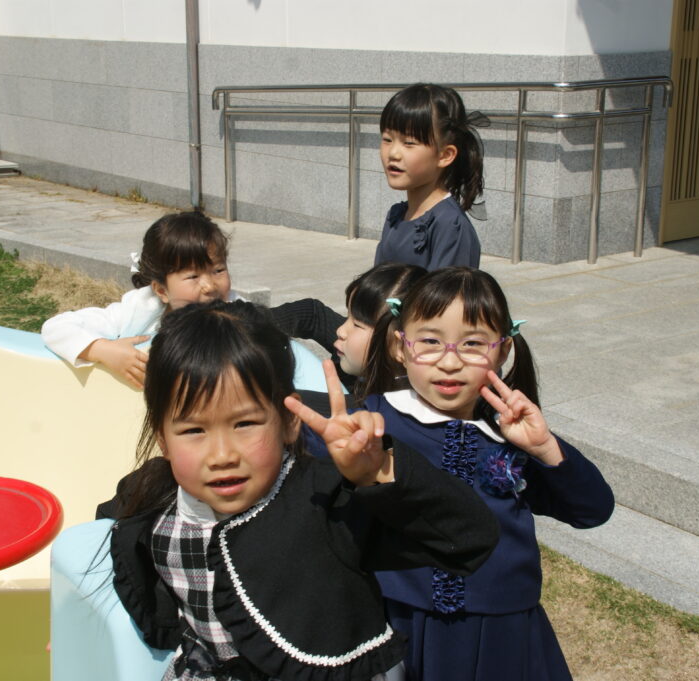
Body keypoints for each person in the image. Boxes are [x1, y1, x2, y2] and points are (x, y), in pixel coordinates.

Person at [96, 300, 500, 681]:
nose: (221, 455)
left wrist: (378, 472)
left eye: (245, 424)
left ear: (289, 421)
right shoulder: (152, 498)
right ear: (163, 438)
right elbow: (115, 527)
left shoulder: (326, 501)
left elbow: (469, 537)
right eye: (193, 430)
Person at [356, 267, 615, 681]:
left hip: (502, 629)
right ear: (399, 346)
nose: (450, 361)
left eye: (473, 344)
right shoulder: (374, 421)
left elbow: (592, 510)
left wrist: (545, 448)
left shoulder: (512, 435)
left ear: (503, 350)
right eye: (430, 341)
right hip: (399, 617)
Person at [41, 210, 235, 388]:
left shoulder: (238, 314)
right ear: (162, 291)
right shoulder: (139, 311)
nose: (210, 286)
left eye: (218, 270)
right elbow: (56, 328)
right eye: (193, 276)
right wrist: (104, 351)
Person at [375, 84, 486, 271]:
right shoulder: (396, 215)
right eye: (387, 139)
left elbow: (448, 289)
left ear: (445, 155)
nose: (393, 153)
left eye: (409, 142)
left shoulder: (450, 225)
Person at [274, 262, 427, 394]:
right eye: (348, 317)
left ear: (399, 345)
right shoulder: (355, 350)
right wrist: (261, 325)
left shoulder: (384, 411)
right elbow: (312, 314)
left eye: (357, 324)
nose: (340, 331)